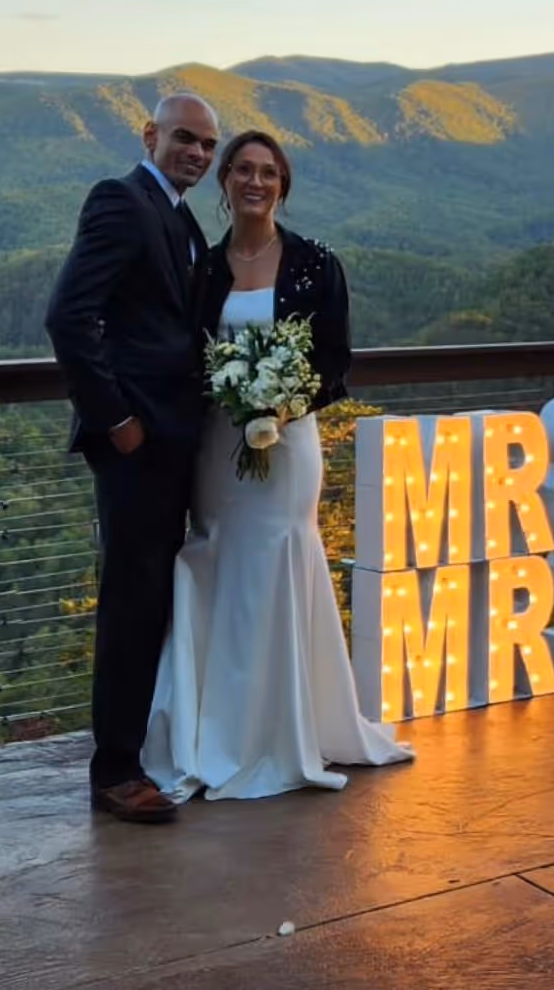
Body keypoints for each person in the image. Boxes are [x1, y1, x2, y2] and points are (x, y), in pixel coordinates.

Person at [141, 129, 412, 801]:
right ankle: (219, 731)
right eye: (242, 170)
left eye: (268, 172)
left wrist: (282, 404)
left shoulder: (316, 263)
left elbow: (335, 362)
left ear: (282, 186)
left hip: (288, 445)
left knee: (279, 561)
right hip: (217, 447)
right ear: (225, 182)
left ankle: (285, 730)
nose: (255, 182)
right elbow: (185, 354)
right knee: (221, 562)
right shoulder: (205, 267)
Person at [45, 93, 220, 824]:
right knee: (131, 603)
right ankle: (115, 771)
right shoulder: (121, 200)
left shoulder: (180, 217)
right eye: (185, 138)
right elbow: (68, 315)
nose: (198, 154)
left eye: (208, 145)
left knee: (154, 601)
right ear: (151, 136)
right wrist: (117, 421)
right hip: (135, 446)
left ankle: (145, 750)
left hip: (173, 442)